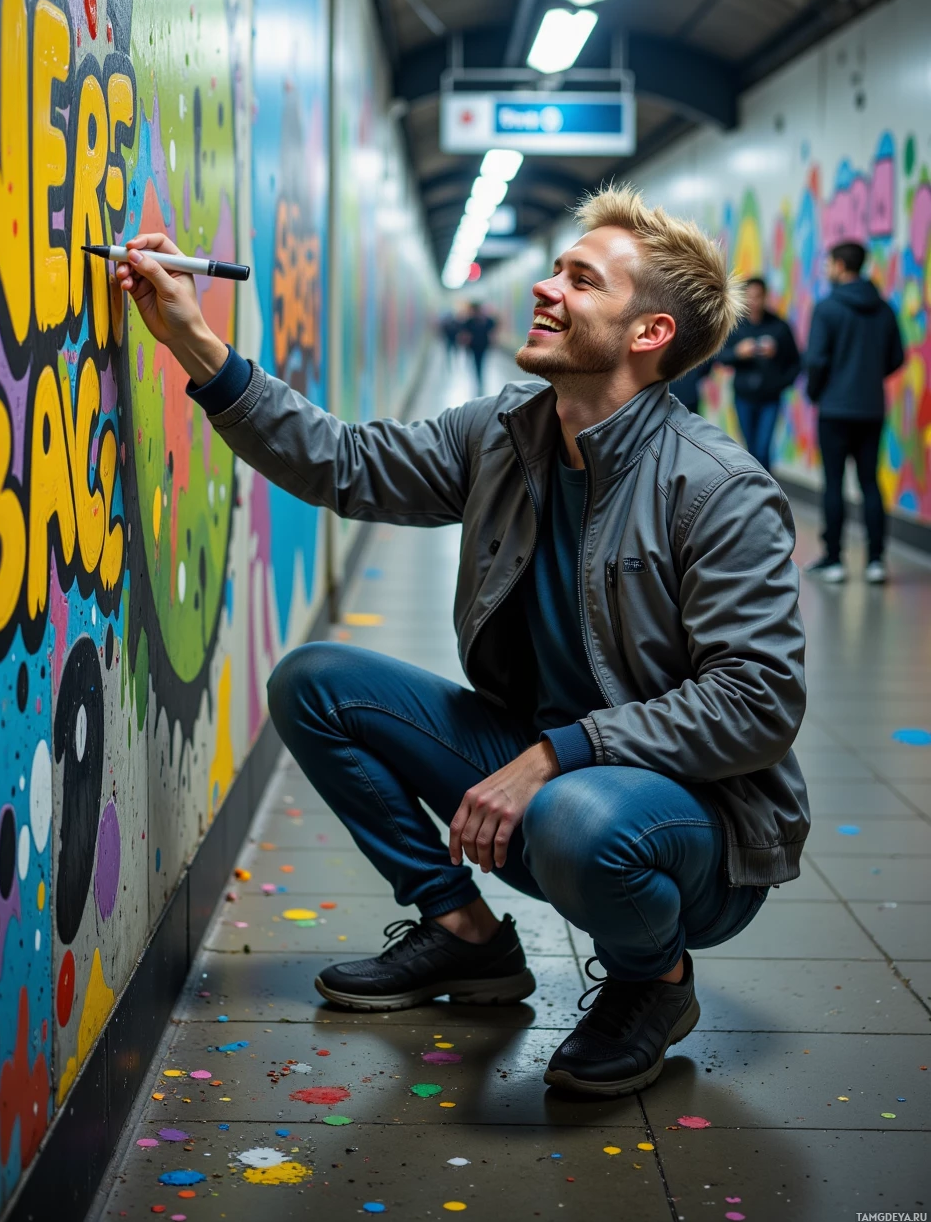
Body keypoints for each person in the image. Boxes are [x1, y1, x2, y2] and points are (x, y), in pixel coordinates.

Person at [115, 184, 807, 1101]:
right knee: (316, 682)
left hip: (687, 833)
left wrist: (556, 756)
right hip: (539, 786)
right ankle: (464, 935)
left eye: (582, 281)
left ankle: (655, 982)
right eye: (556, 270)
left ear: (650, 334)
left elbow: (758, 701)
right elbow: (346, 464)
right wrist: (191, 340)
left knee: (577, 815)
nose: (546, 289)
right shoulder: (506, 432)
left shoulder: (718, 489)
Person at [804, 240, 904, 584]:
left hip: (834, 409)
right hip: (871, 408)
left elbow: (816, 360)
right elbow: (897, 357)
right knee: (870, 483)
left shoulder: (827, 308)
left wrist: (816, 393)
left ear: (841, 266)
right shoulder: (885, 308)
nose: (827, 269)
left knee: (833, 483)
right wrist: (869, 378)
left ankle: (834, 560)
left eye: (830, 263)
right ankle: (876, 562)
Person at [716, 277, 800, 472]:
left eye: (758, 296)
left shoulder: (779, 327)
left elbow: (796, 362)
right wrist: (738, 352)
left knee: (763, 449)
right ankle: (753, 486)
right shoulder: (736, 326)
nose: (754, 301)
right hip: (743, 396)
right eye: (750, 297)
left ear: (765, 297)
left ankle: (765, 487)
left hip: (770, 397)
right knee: (750, 449)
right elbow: (719, 357)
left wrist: (781, 382)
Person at [458, 300, 496, 393]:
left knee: (480, 361)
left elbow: (492, 330)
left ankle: (479, 377)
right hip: (474, 345)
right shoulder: (469, 321)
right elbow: (465, 333)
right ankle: (479, 377)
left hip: (483, 345)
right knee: (477, 361)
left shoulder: (486, 320)